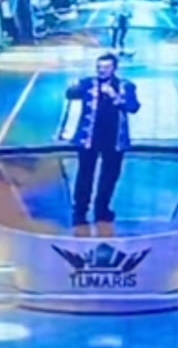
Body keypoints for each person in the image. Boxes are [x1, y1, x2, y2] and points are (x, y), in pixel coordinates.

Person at [65, 53, 140, 226]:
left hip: (114, 139)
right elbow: (70, 94)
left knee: (109, 176)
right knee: (85, 175)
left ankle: (102, 210)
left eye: (106, 67)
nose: (101, 71)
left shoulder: (125, 86)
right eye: (99, 67)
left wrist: (115, 96)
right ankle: (80, 212)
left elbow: (133, 107)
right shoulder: (87, 83)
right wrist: (74, 87)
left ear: (114, 68)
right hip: (89, 138)